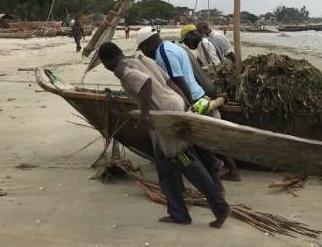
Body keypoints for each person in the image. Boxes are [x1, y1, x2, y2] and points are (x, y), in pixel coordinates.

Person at [98, 42, 231, 227]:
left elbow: (145, 83)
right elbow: (170, 82)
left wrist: (144, 115)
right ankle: (178, 213)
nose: (107, 68)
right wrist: (184, 105)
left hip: (163, 115)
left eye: (105, 64)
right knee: (164, 166)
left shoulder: (125, 71)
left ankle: (220, 206)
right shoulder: (142, 59)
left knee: (186, 161)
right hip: (172, 106)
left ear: (107, 60)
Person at [135, 27, 227, 190]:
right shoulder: (173, 46)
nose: (144, 53)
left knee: (194, 144)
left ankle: (215, 177)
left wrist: (187, 107)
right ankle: (215, 178)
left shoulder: (163, 54)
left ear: (148, 44)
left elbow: (178, 82)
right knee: (199, 143)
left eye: (143, 48)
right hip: (198, 95)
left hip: (192, 99)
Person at [180, 28, 243, 182]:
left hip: (212, 91)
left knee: (214, 132)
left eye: (187, 41)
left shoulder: (203, 44)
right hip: (211, 90)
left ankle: (229, 169)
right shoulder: (203, 44)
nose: (188, 45)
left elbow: (215, 66)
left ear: (192, 35)